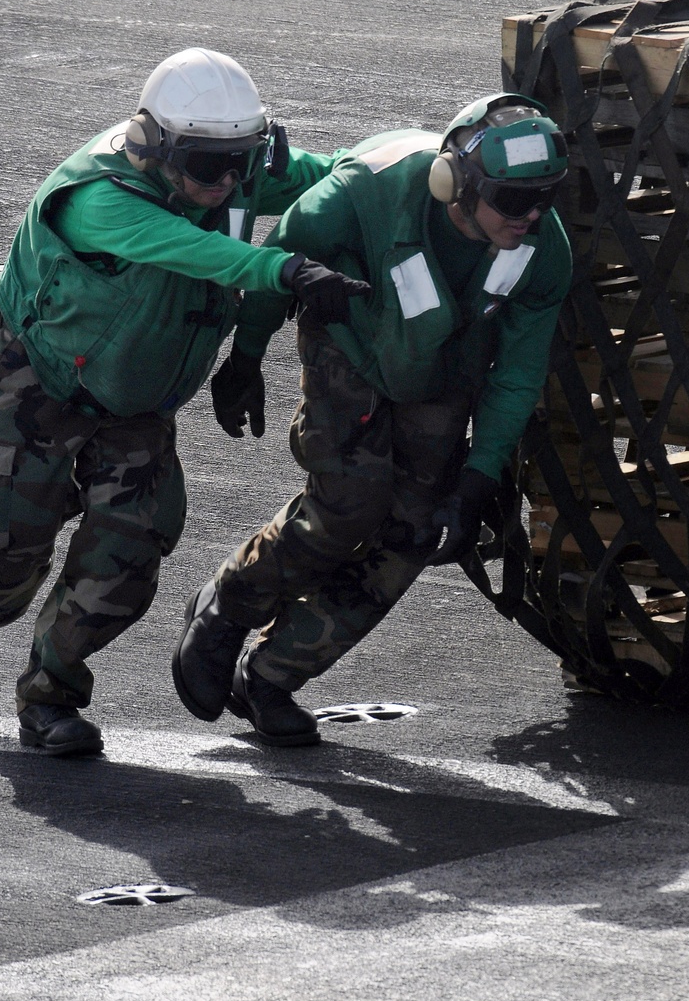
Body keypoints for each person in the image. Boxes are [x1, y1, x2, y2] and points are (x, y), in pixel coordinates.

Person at [0, 47, 368, 756]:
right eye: (208, 165)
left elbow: (331, 178)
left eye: (243, 160)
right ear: (156, 147)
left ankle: (49, 696)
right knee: (8, 566)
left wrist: (393, 168)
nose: (229, 180)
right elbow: (191, 251)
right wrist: (283, 268)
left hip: (137, 400)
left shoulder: (226, 170)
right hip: (44, 383)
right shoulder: (101, 196)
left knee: (130, 554)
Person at [171, 92, 573, 745]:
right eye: (511, 199)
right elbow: (281, 265)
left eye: (544, 198)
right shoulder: (364, 194)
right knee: (349, 504)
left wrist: (474, 480)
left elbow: (520, 373)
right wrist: (244, 361)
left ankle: (273, 675)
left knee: (416, 533)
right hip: (350, 343)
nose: (529, 216)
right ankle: (229, 604)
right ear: (456, 183)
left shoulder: (540, 252)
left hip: (442, 368)